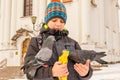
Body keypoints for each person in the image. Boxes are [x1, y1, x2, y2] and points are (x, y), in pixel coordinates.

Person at [24, 0, 93, 80]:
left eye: (62, 21)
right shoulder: (37, 42)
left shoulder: (73, 43)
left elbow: (86, 67)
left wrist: (86, 73)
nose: (58, 24)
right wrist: (51, 72)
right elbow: (29, 73)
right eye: (54, 20)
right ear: (47, 21)